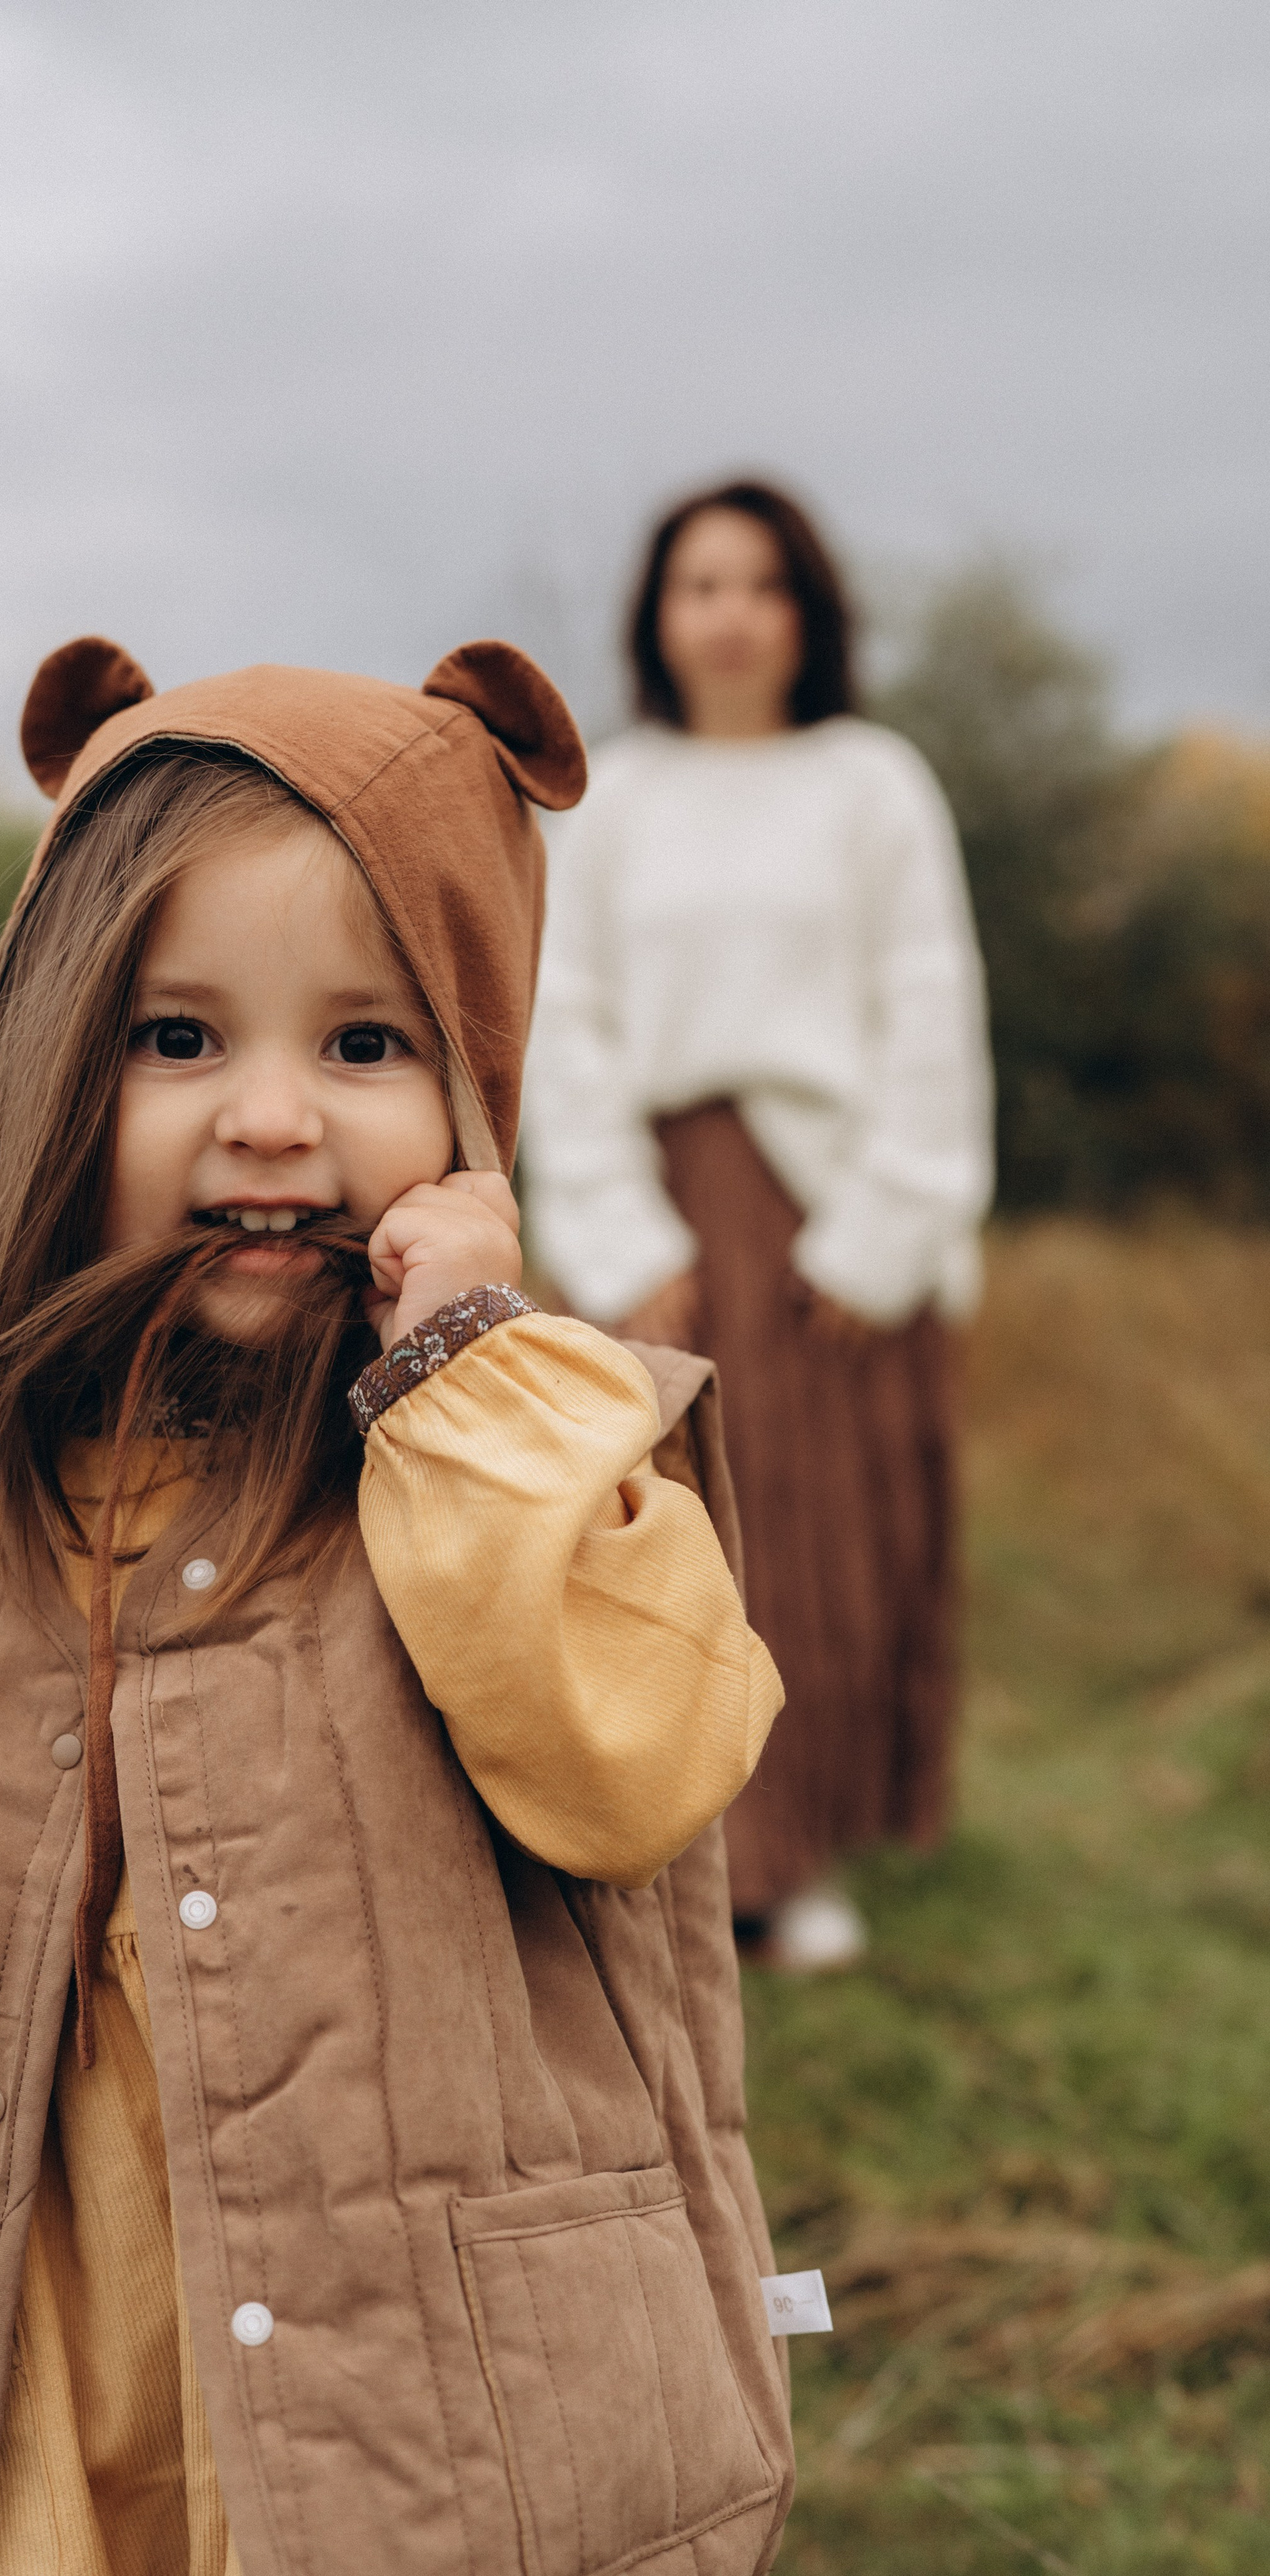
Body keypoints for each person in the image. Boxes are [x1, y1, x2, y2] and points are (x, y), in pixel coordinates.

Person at [0, 636, 796, 2576]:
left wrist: (466, 1370)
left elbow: (633, 1760)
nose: (274, 1117)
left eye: (365, 1046)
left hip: (445, 2446)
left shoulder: (533, 1467)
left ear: (474, 1101)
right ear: (50, 1082)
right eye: (177, 1038)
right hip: (38, 2409)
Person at [523, 480, 993, 1975]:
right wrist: (616, 1236)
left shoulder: (873, 784)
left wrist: (882, 1235)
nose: (730, 614)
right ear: (657, 615)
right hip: (665, 1213)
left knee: (821, 1537)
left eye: (761, 584)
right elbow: (564, 1024)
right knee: (666, 1534)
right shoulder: (611, 798)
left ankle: (799, 1857)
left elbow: (929, 1009)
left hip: (829, 1215)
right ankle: (662, 1851)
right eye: (700, 584)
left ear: (808, 612)